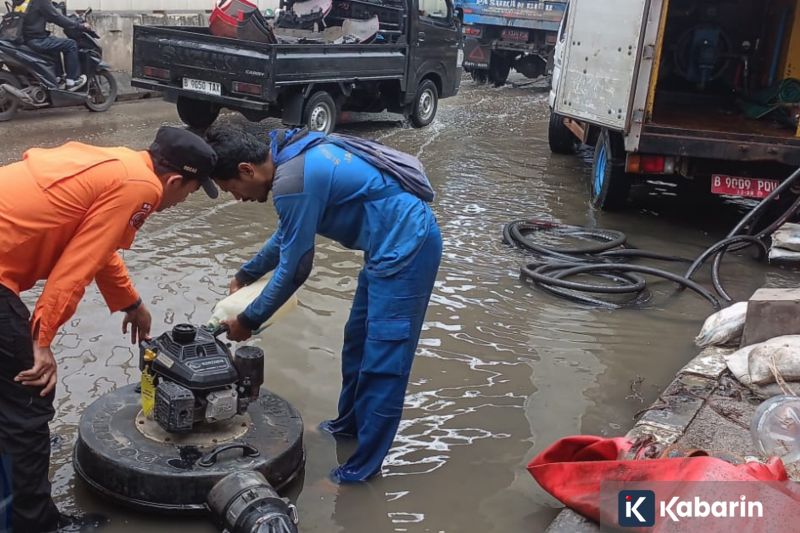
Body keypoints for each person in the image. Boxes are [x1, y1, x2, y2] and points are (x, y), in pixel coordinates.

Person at [0, 126, 219, 533]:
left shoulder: (121, 163)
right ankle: (37, 525)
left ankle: (14, 460)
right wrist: (41, 340)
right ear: (174, 180)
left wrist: (131, 303)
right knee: (31, 397)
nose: (178, 202)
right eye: (187, 193)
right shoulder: (143, 188)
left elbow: (97, 248)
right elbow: (76, 267)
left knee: (9, 395)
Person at [205, 124, 442, 484]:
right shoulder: (288, 156)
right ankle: (347, 427)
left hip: (408, 247)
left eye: (231, 189)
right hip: (384, 249)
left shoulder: (291, 180)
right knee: (357, 344)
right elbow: (288, 234)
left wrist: (249, 320)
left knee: (383, 362)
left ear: (246, 170)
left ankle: (359, 473)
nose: (236, 197)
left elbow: (296, 268)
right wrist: (247, 273)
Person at [21, 0, 90, 91]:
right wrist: (79, 26)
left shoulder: (24, 1)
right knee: (70, 44)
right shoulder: (40, 1)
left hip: (25, 39)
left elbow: (45, 15)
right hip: (37, 40)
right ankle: (72, 81)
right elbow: (56, 17)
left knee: (55, 44)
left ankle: (58, 78)